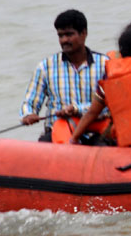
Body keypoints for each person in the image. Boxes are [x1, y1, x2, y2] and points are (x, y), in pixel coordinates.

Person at [20, 9, 108, 143]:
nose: (64, 40)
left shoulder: (104, 64)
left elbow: (110, 106)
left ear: (84, 33)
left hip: (94, 132)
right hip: (57, 134)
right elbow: (30, 102)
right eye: (60, 36)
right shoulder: (46, 67)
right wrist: (28, 114)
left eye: (69, 34)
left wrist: (76, 109)